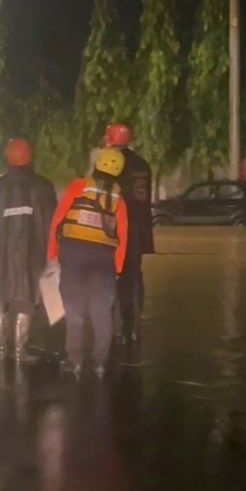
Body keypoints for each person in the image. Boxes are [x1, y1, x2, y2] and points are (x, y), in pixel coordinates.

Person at [0, 137, 57, 363]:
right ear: (31, 158)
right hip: (31, 259)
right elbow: (54, 226)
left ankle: (2, 350)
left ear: (8, 159)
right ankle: (21, 351)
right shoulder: (42, 186)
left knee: (2, 301)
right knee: (26, 300)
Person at [48, 146, 128, 377]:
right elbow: (123, 237)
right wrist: (118, 269)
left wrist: (52, 253)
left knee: (74, 311)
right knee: (102, 313)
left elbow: (57, 220)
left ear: (96, 165)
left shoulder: (78, 186)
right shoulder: (119, 201)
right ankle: (99, 364)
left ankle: (75, 361)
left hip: (73, 255)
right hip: (104, 260)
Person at [103, 122, 153, 343]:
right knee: (133, 276)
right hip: (138, 231)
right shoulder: (142, 164)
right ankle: (134, 329)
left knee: (113, 276)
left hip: (113, 230)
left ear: (109, 140)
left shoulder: (107, 164)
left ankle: (118, 330)